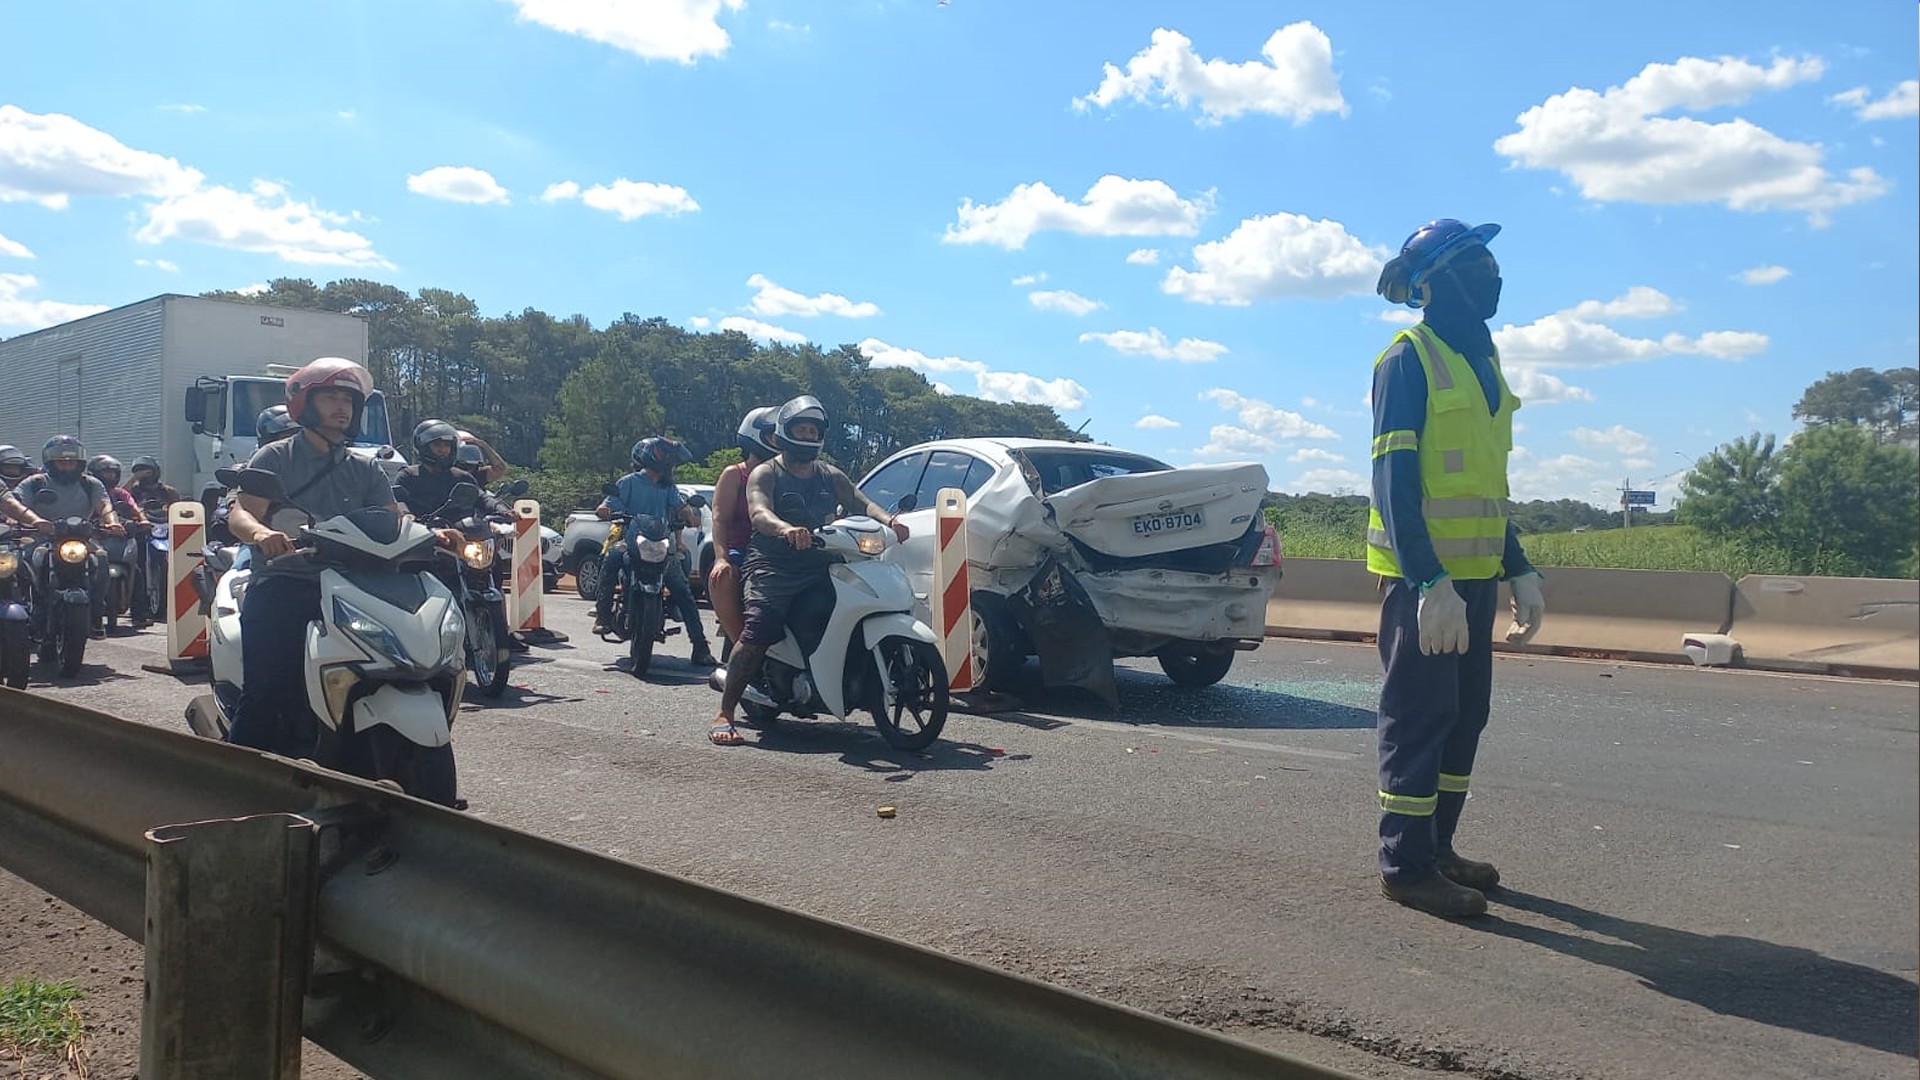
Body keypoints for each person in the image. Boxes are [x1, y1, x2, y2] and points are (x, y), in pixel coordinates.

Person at [1367, 218, 1547, 918]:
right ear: (1434, 283)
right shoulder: (1408, 358)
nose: (1493, 273)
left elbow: (1483, 483)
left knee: (1464, 716)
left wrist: (1517, 565)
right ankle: (1404, 865)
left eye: (1491, 260)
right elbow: (1394, 479)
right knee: (1419, 717)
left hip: (1472, 578)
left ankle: (1438, 848)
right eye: (1476, 261)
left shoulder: (1482, 361)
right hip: (1427, 583)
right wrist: (1426, 581)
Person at [223, 358, 454, 757]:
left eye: (348, 399)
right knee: (269, 686)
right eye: (330, 397)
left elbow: (393, 518)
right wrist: (262, 534)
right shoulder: (276, 457)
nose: (342, 407)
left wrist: (431, 533)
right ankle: (241, 778)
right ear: (304, 404)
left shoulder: (365, 469)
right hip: (290, 579)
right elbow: (241, 511)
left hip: (357, 582)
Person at [711, 396, 909, 746]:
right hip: (772, 564)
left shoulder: (829, 474)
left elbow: (860, 501)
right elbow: (758, 512)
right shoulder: (766, 472)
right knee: (760, 627)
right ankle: (725, 713)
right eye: (801, 428)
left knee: (840, 610)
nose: (807, 434)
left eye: (813, 429)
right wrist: (784, 528)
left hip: (820, 560)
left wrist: (889, 520)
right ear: (786, 432)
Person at [592, 436, 718, 670]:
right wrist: (605, 510)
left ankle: (700, 645)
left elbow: (682, 507)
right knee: (610, 559)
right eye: (662, 455)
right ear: (647, 455)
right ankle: (602, 615)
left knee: (683, 590)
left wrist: (688, 515)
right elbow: (608, 503)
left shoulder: (667, 487)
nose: (667, 460)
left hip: (661, 544)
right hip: (630, 541)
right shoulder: (628, 482)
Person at [14, 436, 123, 639]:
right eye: (61, 461)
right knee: (25, 563)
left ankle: (96, 613)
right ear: (50, 462)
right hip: (41, 539)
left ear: (80, 462)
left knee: (101, 558)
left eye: (71, 461)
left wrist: (112, 521)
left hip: (81, 540)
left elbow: (104, 505)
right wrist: (34, 522)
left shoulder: (91, 483)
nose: (67, 465)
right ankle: (28, 610)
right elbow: (18, 505)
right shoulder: (35, 483)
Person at [708, 406, 778, 658]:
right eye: (772, 435)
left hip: (777, 553)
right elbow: (719, 519)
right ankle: (743, 647)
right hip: (741, 551)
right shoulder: (735, 474)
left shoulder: (783, 476)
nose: (778, 440)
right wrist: (721, 558)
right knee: (724, 577)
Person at [394, 419, 510, 522]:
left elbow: (482, 497)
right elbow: (396, 499)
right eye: (437, 445)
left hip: (459, 532)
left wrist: (502, 510)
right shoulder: (408, 475)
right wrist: (406, 515)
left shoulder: (462, 477)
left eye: (446, 445)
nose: (443, 450)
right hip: (421, 535)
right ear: (424, 446)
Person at [87, 455, 153, 628]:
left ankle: (139, 614)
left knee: (137, 571)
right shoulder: (88, 492)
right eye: (105, 473)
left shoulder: (120, 493)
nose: (109, 477)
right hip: (94, 538)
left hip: (120, 536)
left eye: (112, 473)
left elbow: (135, 507)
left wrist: (143, 520)